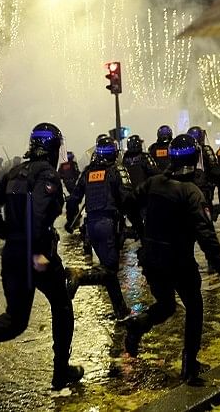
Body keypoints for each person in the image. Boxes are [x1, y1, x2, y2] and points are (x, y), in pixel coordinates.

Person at [0, 123, 83, 391]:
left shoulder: (15, 172)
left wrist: (5, 231)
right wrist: (38, 250)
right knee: (62, 304)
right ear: (52, 148)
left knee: (15, 320)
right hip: (36, 256)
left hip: (14, 253)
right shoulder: (47, 174)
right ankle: (61, 370)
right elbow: (37, 218)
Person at [123, 134, 220, 386]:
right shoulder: (192, 192)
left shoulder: (154, 183)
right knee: (194, 308)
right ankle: (189, 364)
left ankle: (138, 325)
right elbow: (207, 236)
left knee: (166, 306)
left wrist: (142, 231)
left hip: (153, 260)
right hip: (179, 262)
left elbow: (129, 201)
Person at [64, 136, 142, 319]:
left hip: (92, 226)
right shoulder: (117, 170)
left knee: (109, 269)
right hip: (108, 224)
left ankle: (120, 310)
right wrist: (139, 225)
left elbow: (73, 199)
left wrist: (69, 221)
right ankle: (80, 275)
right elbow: (128, 200)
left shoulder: (88, 172)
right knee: (109, 271)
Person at [187, 126, 220, 209]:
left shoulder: (186, 151)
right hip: (204, 186)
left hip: (191, 186)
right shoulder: (206, 150)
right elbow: (214, 167)